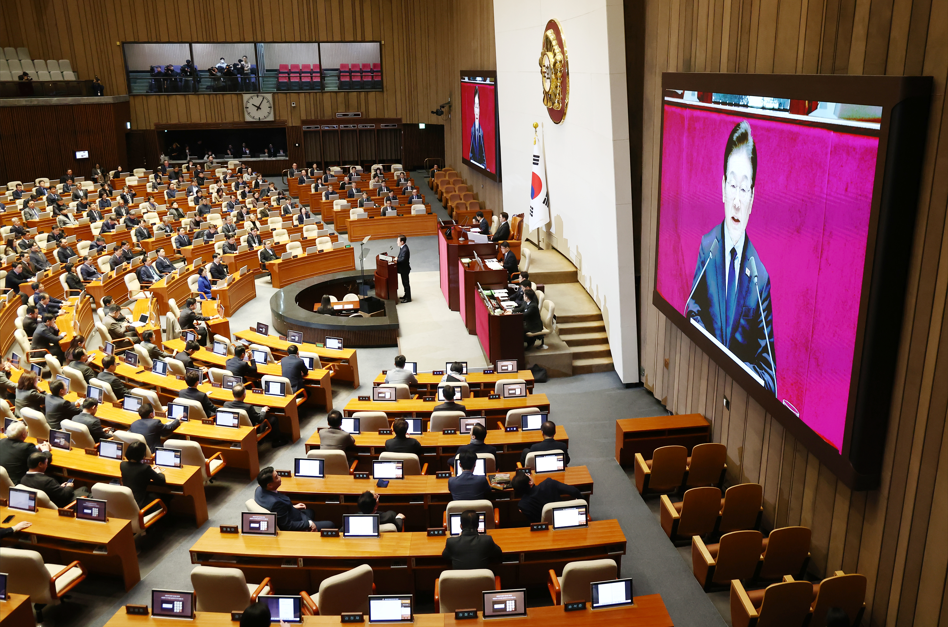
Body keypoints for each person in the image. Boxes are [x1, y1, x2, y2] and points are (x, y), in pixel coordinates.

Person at [684, 120, 776, 393]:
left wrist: (734, 367)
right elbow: (692, 308)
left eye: (744, 189)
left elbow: (769, 378)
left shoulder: (760, 280)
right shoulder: (708, 247)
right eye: (732, 186)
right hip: (701, 381)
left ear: (752, 198)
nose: (737, 200)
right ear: (723, 187)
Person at [254, 467, 333, 531]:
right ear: (270, 485)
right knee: (330, 524)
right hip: (294, 523)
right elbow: (288, 526)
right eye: (277, 477)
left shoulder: (259, 489)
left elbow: (279, 510)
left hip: (290, 513)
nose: (280, 477)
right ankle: (309, 531)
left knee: (311, 511)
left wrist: (292, 507)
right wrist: (309, 524)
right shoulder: (275, 503)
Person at [511, 469, 582, 523]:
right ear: (530, 482)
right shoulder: (549, 483)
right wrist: (582, 503)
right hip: (567, 520)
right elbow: (574, 491)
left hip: (546, 530)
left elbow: (535, 522)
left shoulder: (522, 505)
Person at [21, 452, 88, 507]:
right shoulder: (47, 481)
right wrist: (69, 486)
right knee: (86, 494)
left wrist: (59, 488)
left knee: (83, 488)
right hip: (60, 505)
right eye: (46, 463)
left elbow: (48, 489)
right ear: (40, 464)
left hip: (41, 505)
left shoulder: (23, 479)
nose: (47, 466)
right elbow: (65, 495)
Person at [120, 440, 167, 508]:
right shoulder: (145, 468)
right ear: (142, 454)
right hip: (140, 504)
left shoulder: (122, 465)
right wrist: (158, 471)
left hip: (127, 501)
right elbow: (161, 480)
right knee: (165, 498)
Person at [397, 234, 411, 303]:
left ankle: (408, 298)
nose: (397, 242)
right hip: (403, 269)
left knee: (406, 284)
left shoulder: (405, 249)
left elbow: (403, 260)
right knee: (404, 283)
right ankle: (406, 295)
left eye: (398, 241)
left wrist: (396, 260)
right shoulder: (403, 248)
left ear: (402, 242)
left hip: (404, 269)